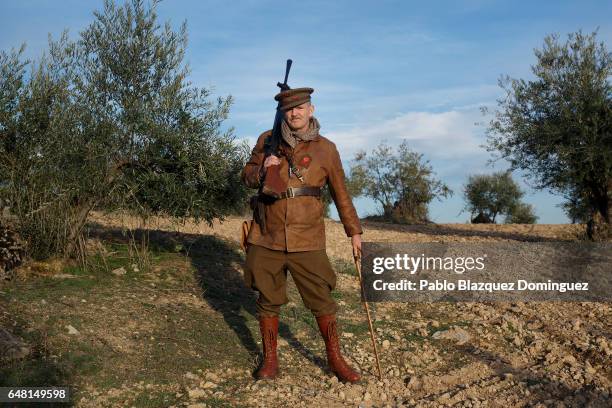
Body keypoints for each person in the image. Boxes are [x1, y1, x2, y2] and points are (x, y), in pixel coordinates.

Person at [241, 87, 363, 383]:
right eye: (288, 109)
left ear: (311, 109)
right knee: (267, 299)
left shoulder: (326, 149)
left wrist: (354, 231)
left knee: (321, 298)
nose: (294, 113)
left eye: (300, 107)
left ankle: (335, 359)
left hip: (307, 238)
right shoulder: (267, 140)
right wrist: (261, 171)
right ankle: (270, 361)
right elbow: (246, 177)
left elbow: (340, 193)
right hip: (266, 234)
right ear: (283, 113)